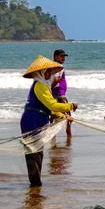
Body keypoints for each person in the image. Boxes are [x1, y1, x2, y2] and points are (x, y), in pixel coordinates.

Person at [20, 55, 77, 187]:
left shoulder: (44, 86)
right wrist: (71, 106)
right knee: (33, 154)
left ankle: (36, 183)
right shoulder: (39, 86)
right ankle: (35, 185)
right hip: (31, 121)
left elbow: (49, 108)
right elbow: (52, 105)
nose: (49, 74)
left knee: (38, 154)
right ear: (40, 73)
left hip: (38, 121)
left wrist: (63, 116)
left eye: (50, 72)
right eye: (47, 72)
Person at [51, 49, 72, 136]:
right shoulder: (59, 66)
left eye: (64, 56)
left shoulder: (51, 65)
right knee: (68, 117)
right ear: (55, 56)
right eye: (61, 56)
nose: (63, 58)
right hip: (59, 94)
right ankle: (69, 136)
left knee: (53, 116)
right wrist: (51, 87)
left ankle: (53, 137)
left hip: (54, 93)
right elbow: (56, 79)